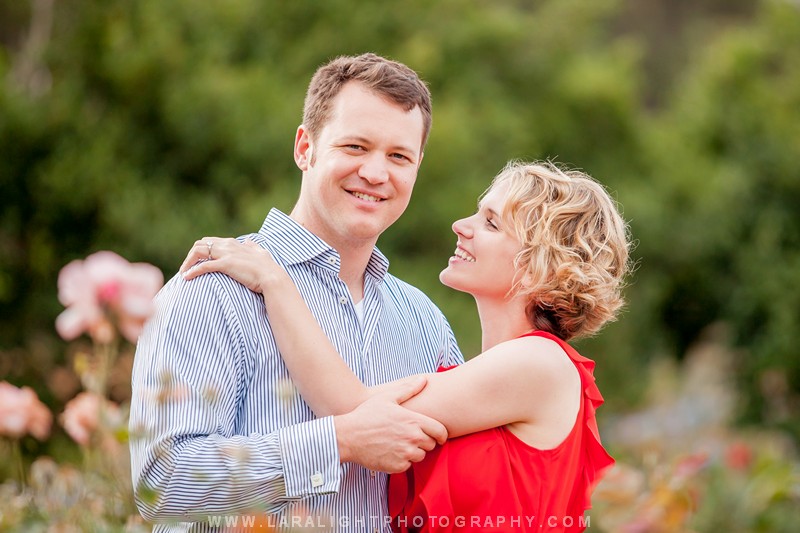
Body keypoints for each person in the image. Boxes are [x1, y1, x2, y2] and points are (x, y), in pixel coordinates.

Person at [181, 160, 632, 532]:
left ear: (539, 266)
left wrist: (274, 280)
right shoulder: (473, 373)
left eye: (490, 223)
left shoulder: (540, 363)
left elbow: (349, 407)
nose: (462, 226)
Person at [129, 53, 464, 532]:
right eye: (355, 146)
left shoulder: (425, 323)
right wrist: (338, 442)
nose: (375, 172)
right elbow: (161, 483)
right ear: (305, 147)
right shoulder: (209, 292)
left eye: (398, 156)